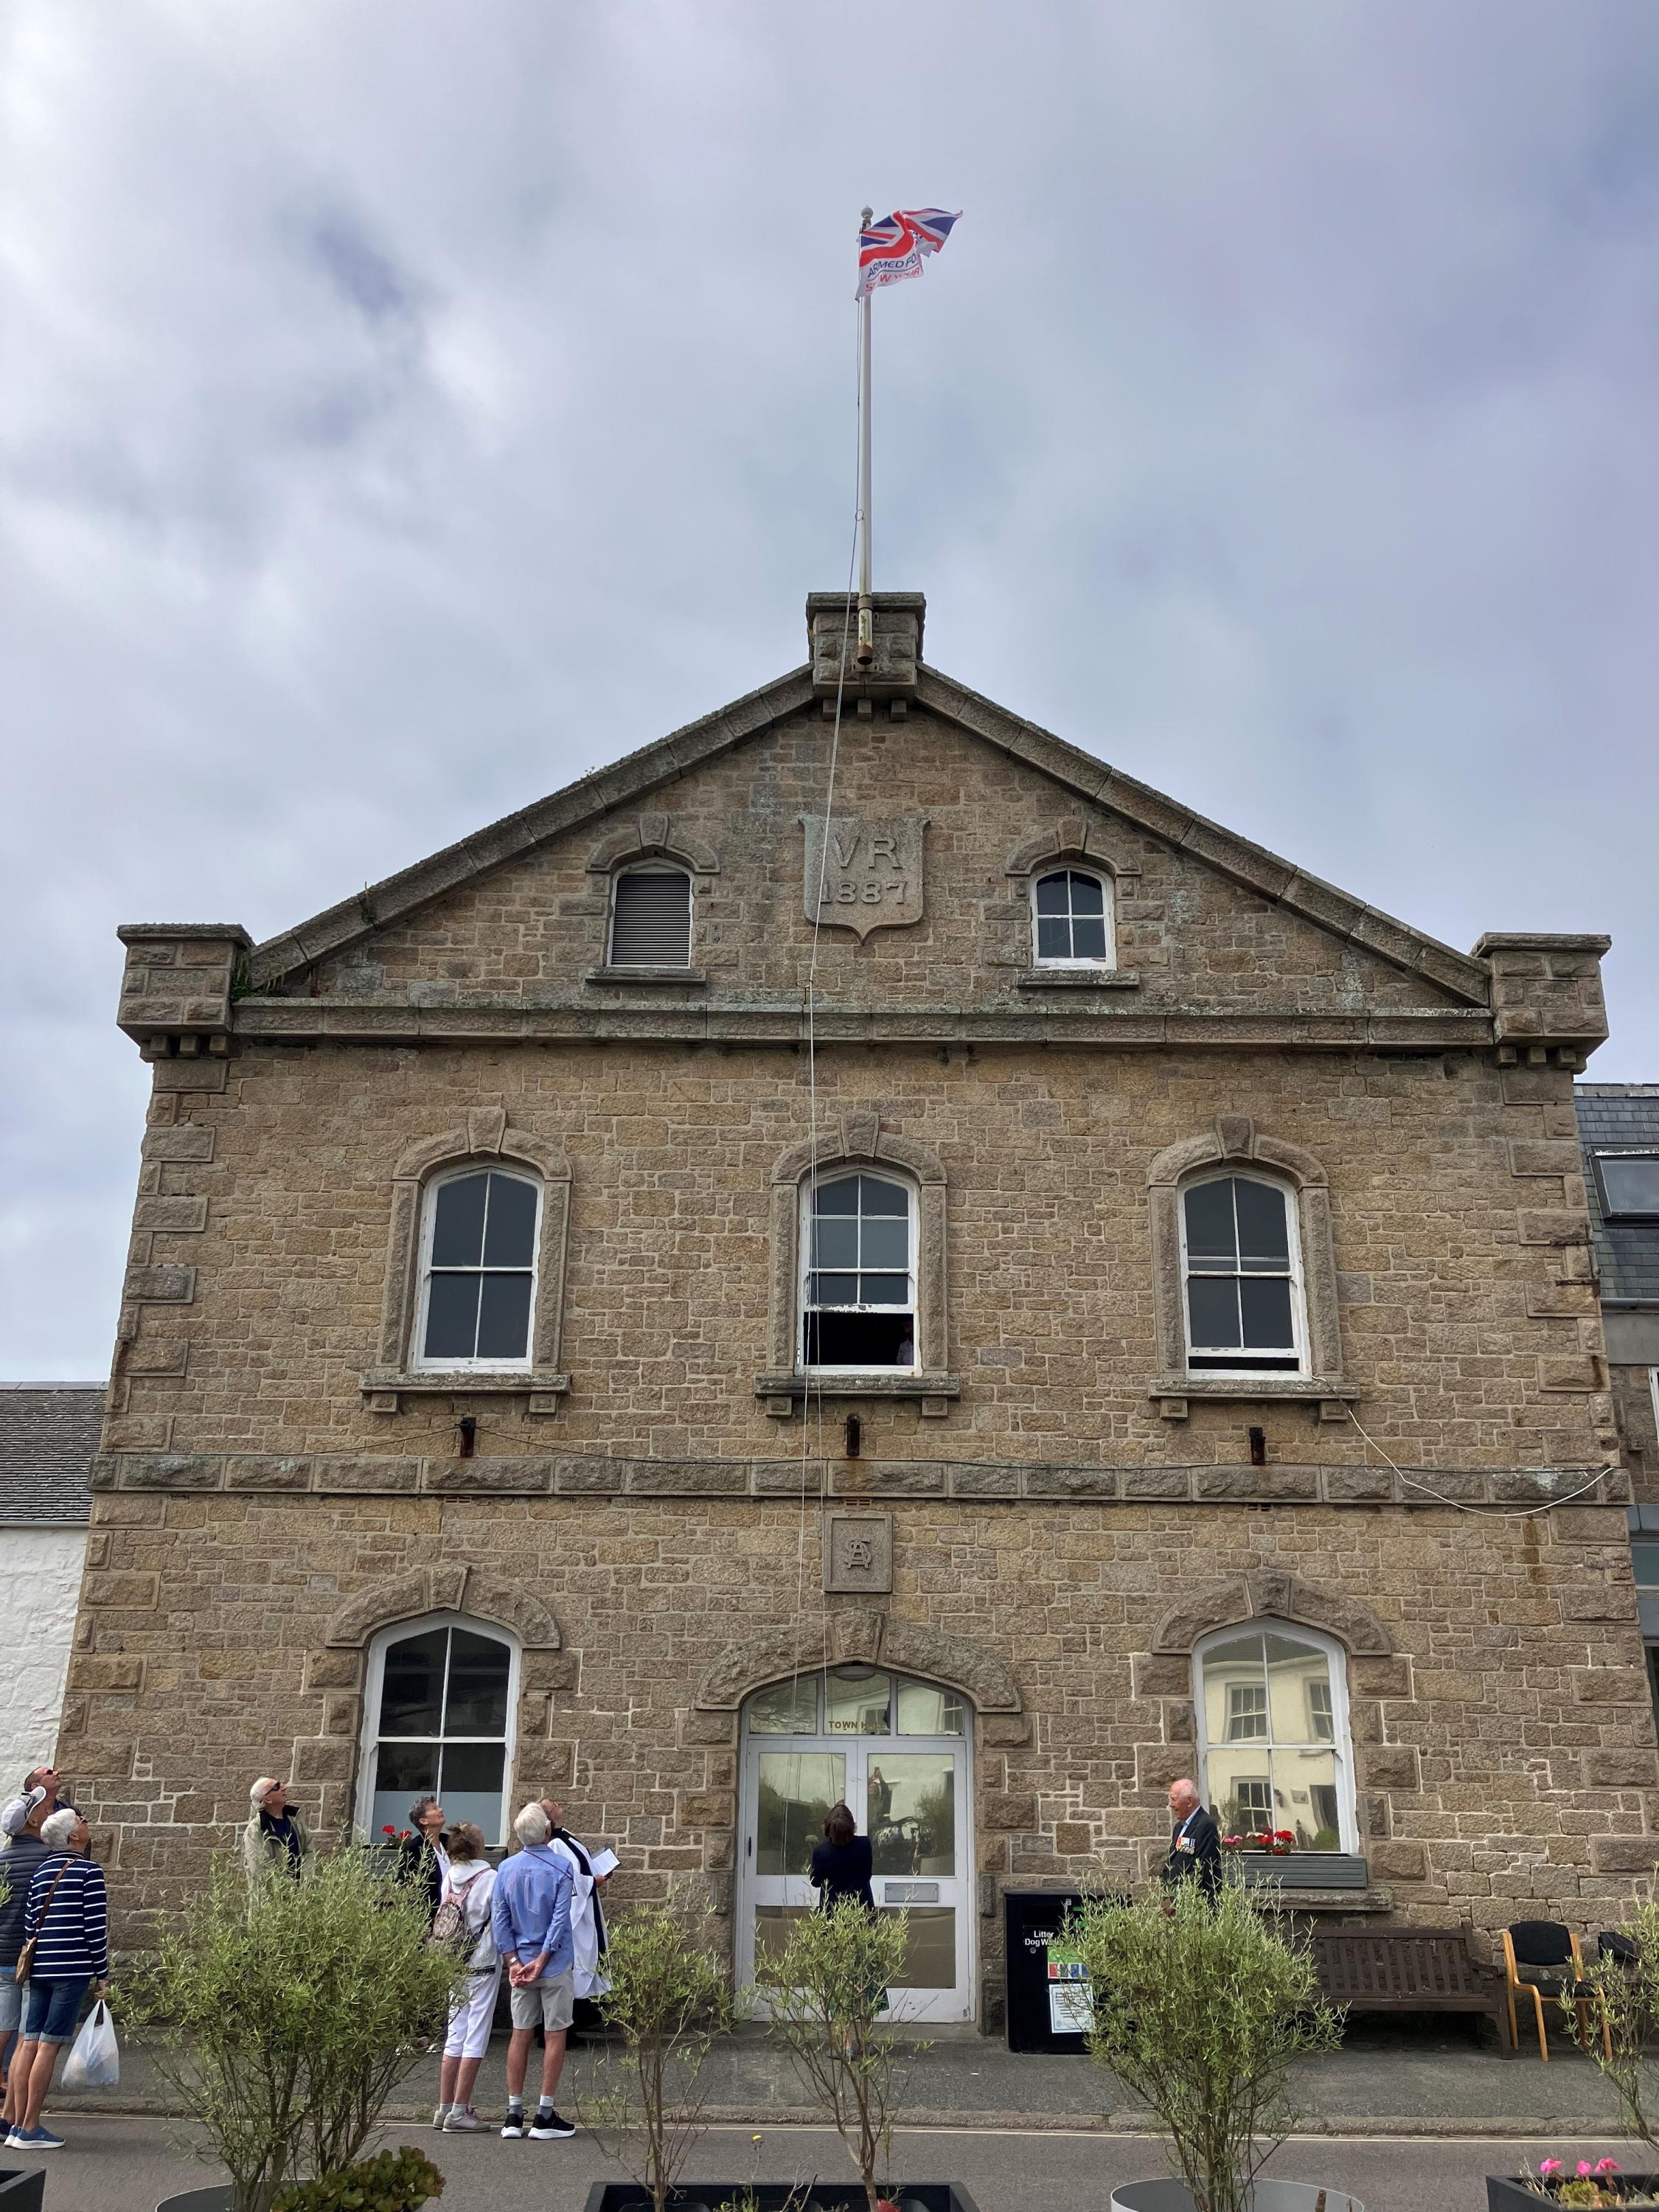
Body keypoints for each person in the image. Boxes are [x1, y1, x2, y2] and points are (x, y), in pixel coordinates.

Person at [3, 1809, 108, 2153]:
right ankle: (30, 2126)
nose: (86, 1824)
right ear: (73, 1836)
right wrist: (102, 1972)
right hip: (71, 1968)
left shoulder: (42, 1871)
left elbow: (31, 1925)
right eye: (81, 1821)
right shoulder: (88, 1871)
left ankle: (16, 2124)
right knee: (49, 2045)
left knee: (29, 2042)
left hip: (40, 1968)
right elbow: (95, 1928)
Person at [490, 1802, 575, 2142]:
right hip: (553, 1963)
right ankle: (545, 2113)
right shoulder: (561, 1866)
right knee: (555, 2035)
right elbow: (560, 1919)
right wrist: (542, 1959)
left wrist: (512, 1960)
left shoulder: (506, 1868)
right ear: (547, 1831)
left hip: (520, 1965)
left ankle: (513, 2113)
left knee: (520, 2033)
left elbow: (500, 1919)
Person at [431, 1821, 499, 2134]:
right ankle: (460, 2111)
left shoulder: (449, 1876)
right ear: (477, 1847)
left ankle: (444, 2108)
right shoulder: (490, 1878)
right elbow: (499, 1920)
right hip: (481, 1962)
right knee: (476, 2036)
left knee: (455, 2033)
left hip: (452, 1961)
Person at [0, 1795, 52, 2112]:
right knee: (26, 2038)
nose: (50, 1812)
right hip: (30, 1956)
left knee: (3, 2026)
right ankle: (14, 2113)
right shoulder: (48, 1858)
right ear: (32, 1822)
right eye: (44, 1810)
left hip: (2, 1954)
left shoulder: (1, 1860)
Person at [540, 1798, 610, 2003]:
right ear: (548, 1817)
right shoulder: (554, 1844)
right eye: (553, 1804)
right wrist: (592, 1881)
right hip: (577, 1915)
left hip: (589, 1905)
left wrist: (599, 1871)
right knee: (580, 1963)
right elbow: (567, 1878)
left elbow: (581, 1866)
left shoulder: (566, 1836)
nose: (558, 1803)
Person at [243, 1777, 313, 1882]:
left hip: (302, 1890)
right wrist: (288, 1887)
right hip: (276, 1891)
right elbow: (261, 1870)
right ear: (268, 1799)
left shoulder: (294, 1819)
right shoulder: (255, 1831)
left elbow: (309, 1849)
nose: (284, 1787)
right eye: (277, 1787)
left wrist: (306, 1881)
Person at [810, 1802, 875, 1914]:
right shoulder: (864, 1844)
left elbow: (815, 1882)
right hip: (861, 1909)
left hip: (832, 1912)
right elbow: (867, 1875)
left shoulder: (821, 1852)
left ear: (828, 1826)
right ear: (851, 1825)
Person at [1162, 1778, 1222, 1901]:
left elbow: (1202, 1868)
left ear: (1189, 1801)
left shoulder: (1206, 1825)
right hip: (1176, 1900)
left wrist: (1177, 1900)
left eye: (1174, 1799)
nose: (1171, 1804)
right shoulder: (1179, 1827)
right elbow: (1175, 1861)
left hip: (1195, 1902)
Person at [394, 1795, 449, 1927]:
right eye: (434, 1808)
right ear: (423, 1821)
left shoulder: (449, 1842)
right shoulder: (414, 1849)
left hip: (455, 1918)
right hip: (431, 1921)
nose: (440, 1810)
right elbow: (406, 1888)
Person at [1, 1769, 76, 1840]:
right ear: (36, 1786)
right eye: (49, 1772)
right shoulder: (20, 1813)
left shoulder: (68, 1809)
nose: (56, 1773)